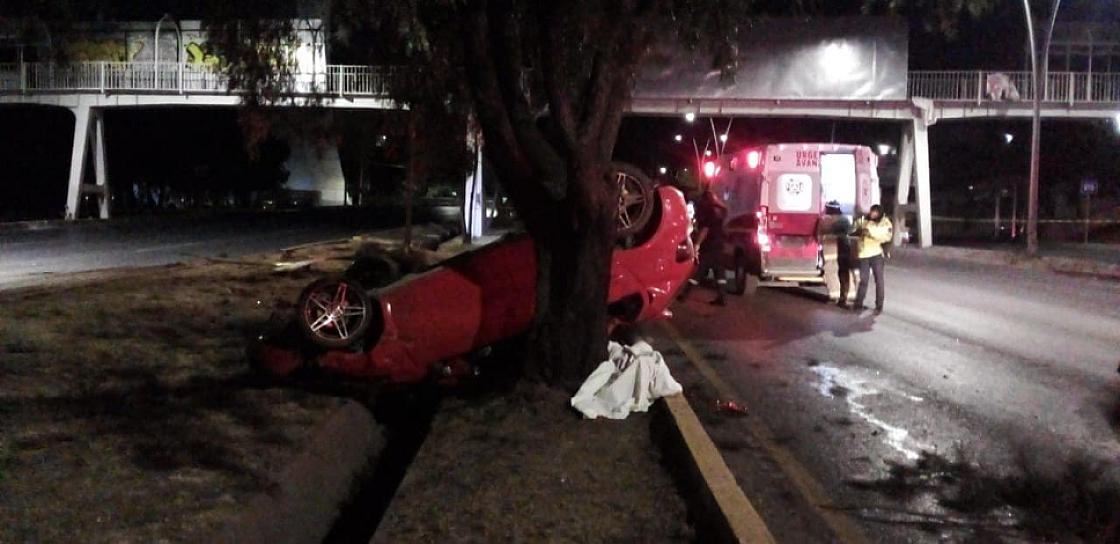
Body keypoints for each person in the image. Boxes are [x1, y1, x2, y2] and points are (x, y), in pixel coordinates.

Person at [852, 204, 893, 314]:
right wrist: (857, 227)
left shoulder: (885, 222)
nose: (873, 214)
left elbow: (886, 235)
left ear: (879, 213)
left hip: (876, 254)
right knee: (863, 280)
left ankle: (879, 305)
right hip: (864, 254)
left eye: (875, 212)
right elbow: (854, 228)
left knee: (879, 280)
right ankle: (858, 303)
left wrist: (869, 232)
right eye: (872, 211)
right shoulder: (864, 220)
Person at [692, 187, 729, 306]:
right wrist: (717, 201)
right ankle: (722, 298)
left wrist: (697, 244)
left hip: (710, 246)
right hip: (720, 245)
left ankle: (683, 295)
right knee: (720, 275)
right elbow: (725, 209)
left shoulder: (708, 211)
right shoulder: (720, 211)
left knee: (699, 271)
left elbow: (705, 229)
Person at [818, 201, 855, 307]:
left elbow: (823, 232)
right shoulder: (844, 219)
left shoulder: (831, 220)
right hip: (845, 249)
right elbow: (851, 231)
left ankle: (839, 297)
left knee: (837, 273)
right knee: (844, 273)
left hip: (837, 250)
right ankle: (846, 296)